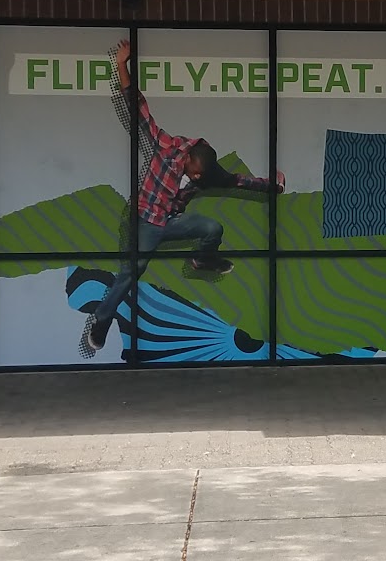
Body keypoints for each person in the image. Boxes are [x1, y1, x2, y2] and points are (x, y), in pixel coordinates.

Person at [80, 39, 283, 357]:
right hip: (147, 221)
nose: (197, 179)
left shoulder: (209, 171)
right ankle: (102, 321)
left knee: (213, 228)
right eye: (194, 174)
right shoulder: (166, 146)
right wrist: (121, 64)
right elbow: (138, 107)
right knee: (131, 272)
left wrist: (273, 186)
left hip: (173, 221)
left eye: (201, 177)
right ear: (186, 159)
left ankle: (203, 259)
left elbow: (239, 181)